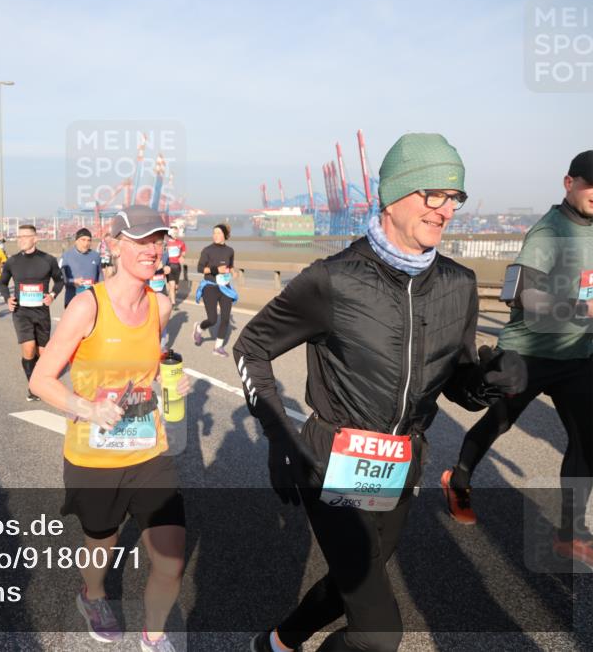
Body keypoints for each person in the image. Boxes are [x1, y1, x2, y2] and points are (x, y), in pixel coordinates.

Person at [233, 133, 526, 652]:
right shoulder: (333, 280)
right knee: (379, 634)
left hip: (400, 464)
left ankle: (278, 642)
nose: (446, 210)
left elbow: (457, 383)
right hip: (332, 461)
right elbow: (251, 347)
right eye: (432, 194)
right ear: (392, 195)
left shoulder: (458, 285)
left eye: (454, 197)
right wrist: (280, 435)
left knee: (357, 578)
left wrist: (488, 383)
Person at [29, 205, 191, 652]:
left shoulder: (160, 304)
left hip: (148, 450)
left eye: (157, 240)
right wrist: (86, 407)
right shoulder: (88, 306)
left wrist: (170, 378)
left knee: (172, 559)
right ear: (115, 246)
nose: (151, 249)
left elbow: (147, 367)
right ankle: (93, 594)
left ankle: (153, 636)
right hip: (94, 455)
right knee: (101, 545)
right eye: (140, 240)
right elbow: (40, 380)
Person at [441, 149, 593, 567]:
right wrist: (578, 311)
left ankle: (570, 533)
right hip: (529, 354)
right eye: (590, 183)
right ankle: (459, 478)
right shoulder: (549, 231)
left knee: (586, 442)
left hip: (578, 356)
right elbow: (521, 293)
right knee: (501, 421)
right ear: (569, 183)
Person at [0, 224, 64, 401]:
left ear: (35, 238)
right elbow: (1, 283)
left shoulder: (48, 260)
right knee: (28, 348)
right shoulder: (12, 261)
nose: (20, 240)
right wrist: (7, 298)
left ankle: (39, 379)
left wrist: (52, 295)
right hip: (21, 312)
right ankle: (34, 387)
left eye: (25, 236)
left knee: (42, 352)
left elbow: (59, 281)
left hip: (41, 312)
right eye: (18, 237)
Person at [193, 224, 237, 357]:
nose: (215, 236)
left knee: (225, 319)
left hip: (225, 287)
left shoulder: (230, 251)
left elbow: (231, 266)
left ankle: (218, 347)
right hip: (210, 286)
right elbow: (200, 269)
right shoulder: (207, 250)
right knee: (212, 319)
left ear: (225, 235)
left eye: (218, 233)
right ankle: (199, 328)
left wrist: (234, 272)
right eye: (214, 233)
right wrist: (216, 270)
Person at [60, 227, 102, 308]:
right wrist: (73, 281)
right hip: (72, 299)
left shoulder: (96, 256)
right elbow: (60, 278)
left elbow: (100, 278)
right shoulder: (66, 256)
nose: (86, 243)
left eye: (89, 240)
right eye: (83, 240)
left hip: (91, 300)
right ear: (76, 241)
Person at [164, 226, 187, 306]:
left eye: (177, 232)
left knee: (176, 287)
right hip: (169, 265)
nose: (176, 234)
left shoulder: (181, 243)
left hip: (177, 266)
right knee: (172, 285)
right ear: (170, 233)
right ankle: (173, 304)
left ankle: (169, 299)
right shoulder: (166, 244)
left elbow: (184, 251)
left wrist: (182, 256)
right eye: (174, 232)